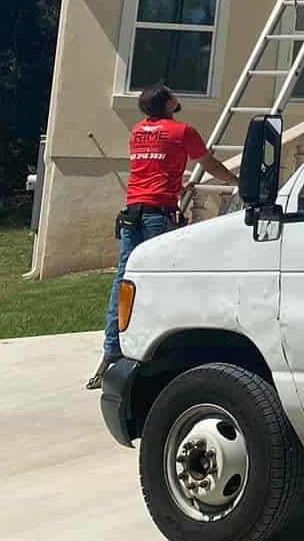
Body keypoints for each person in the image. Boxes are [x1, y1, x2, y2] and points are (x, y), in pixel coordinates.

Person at [89, 83, 237, 389]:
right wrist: (239, 180)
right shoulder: (182, 131)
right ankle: (163, 353)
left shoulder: (138, 132)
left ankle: (111, 351)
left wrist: (174, 187)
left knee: (124, 280)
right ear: (168, 102)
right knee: (169, 281)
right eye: (173, 93)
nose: (177, 95)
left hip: (133, 211)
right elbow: (209, 164)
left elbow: (152, 167)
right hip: (159, 215)